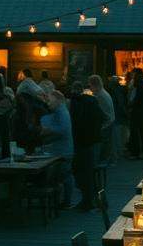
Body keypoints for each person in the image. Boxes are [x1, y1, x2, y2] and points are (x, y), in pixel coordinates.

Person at [68, 81, 104, 211]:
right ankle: (94, 200)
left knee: (82, 172)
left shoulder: (76, 104)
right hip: (92, 140)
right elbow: (102, 117)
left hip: (80, 141)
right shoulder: (92, 101)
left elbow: (75, 123)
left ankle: (87, 201)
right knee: (89, 172)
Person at [39, 91, 75, 208]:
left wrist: (47, 130)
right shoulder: (60, 112)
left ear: (58, 100)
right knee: (64, 176)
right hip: (62, 150)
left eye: (50, 100)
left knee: (64, 176)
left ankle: (66, 201)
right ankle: (64, 201)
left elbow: (63, 129)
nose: (48, 103)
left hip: (62, 151)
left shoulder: (62, 112)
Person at [88, 74, 115, 167]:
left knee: (103, 144)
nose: (90, 88)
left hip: (106, 123)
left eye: (90, 85)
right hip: (110, 121)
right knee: (107, 143)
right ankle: (108, 161)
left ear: (94, 85)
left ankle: (102, 162)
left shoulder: (99, 96)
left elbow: (100, 112)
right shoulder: (104, 93)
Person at [126, 68, 143, 159]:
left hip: (137, 111)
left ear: (136, 74)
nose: (132, 75)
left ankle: (136, 152)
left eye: (133, 73)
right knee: (142, 131)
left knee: (135, 132)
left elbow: (135, 98)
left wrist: (130, 105)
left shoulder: (137, 84)